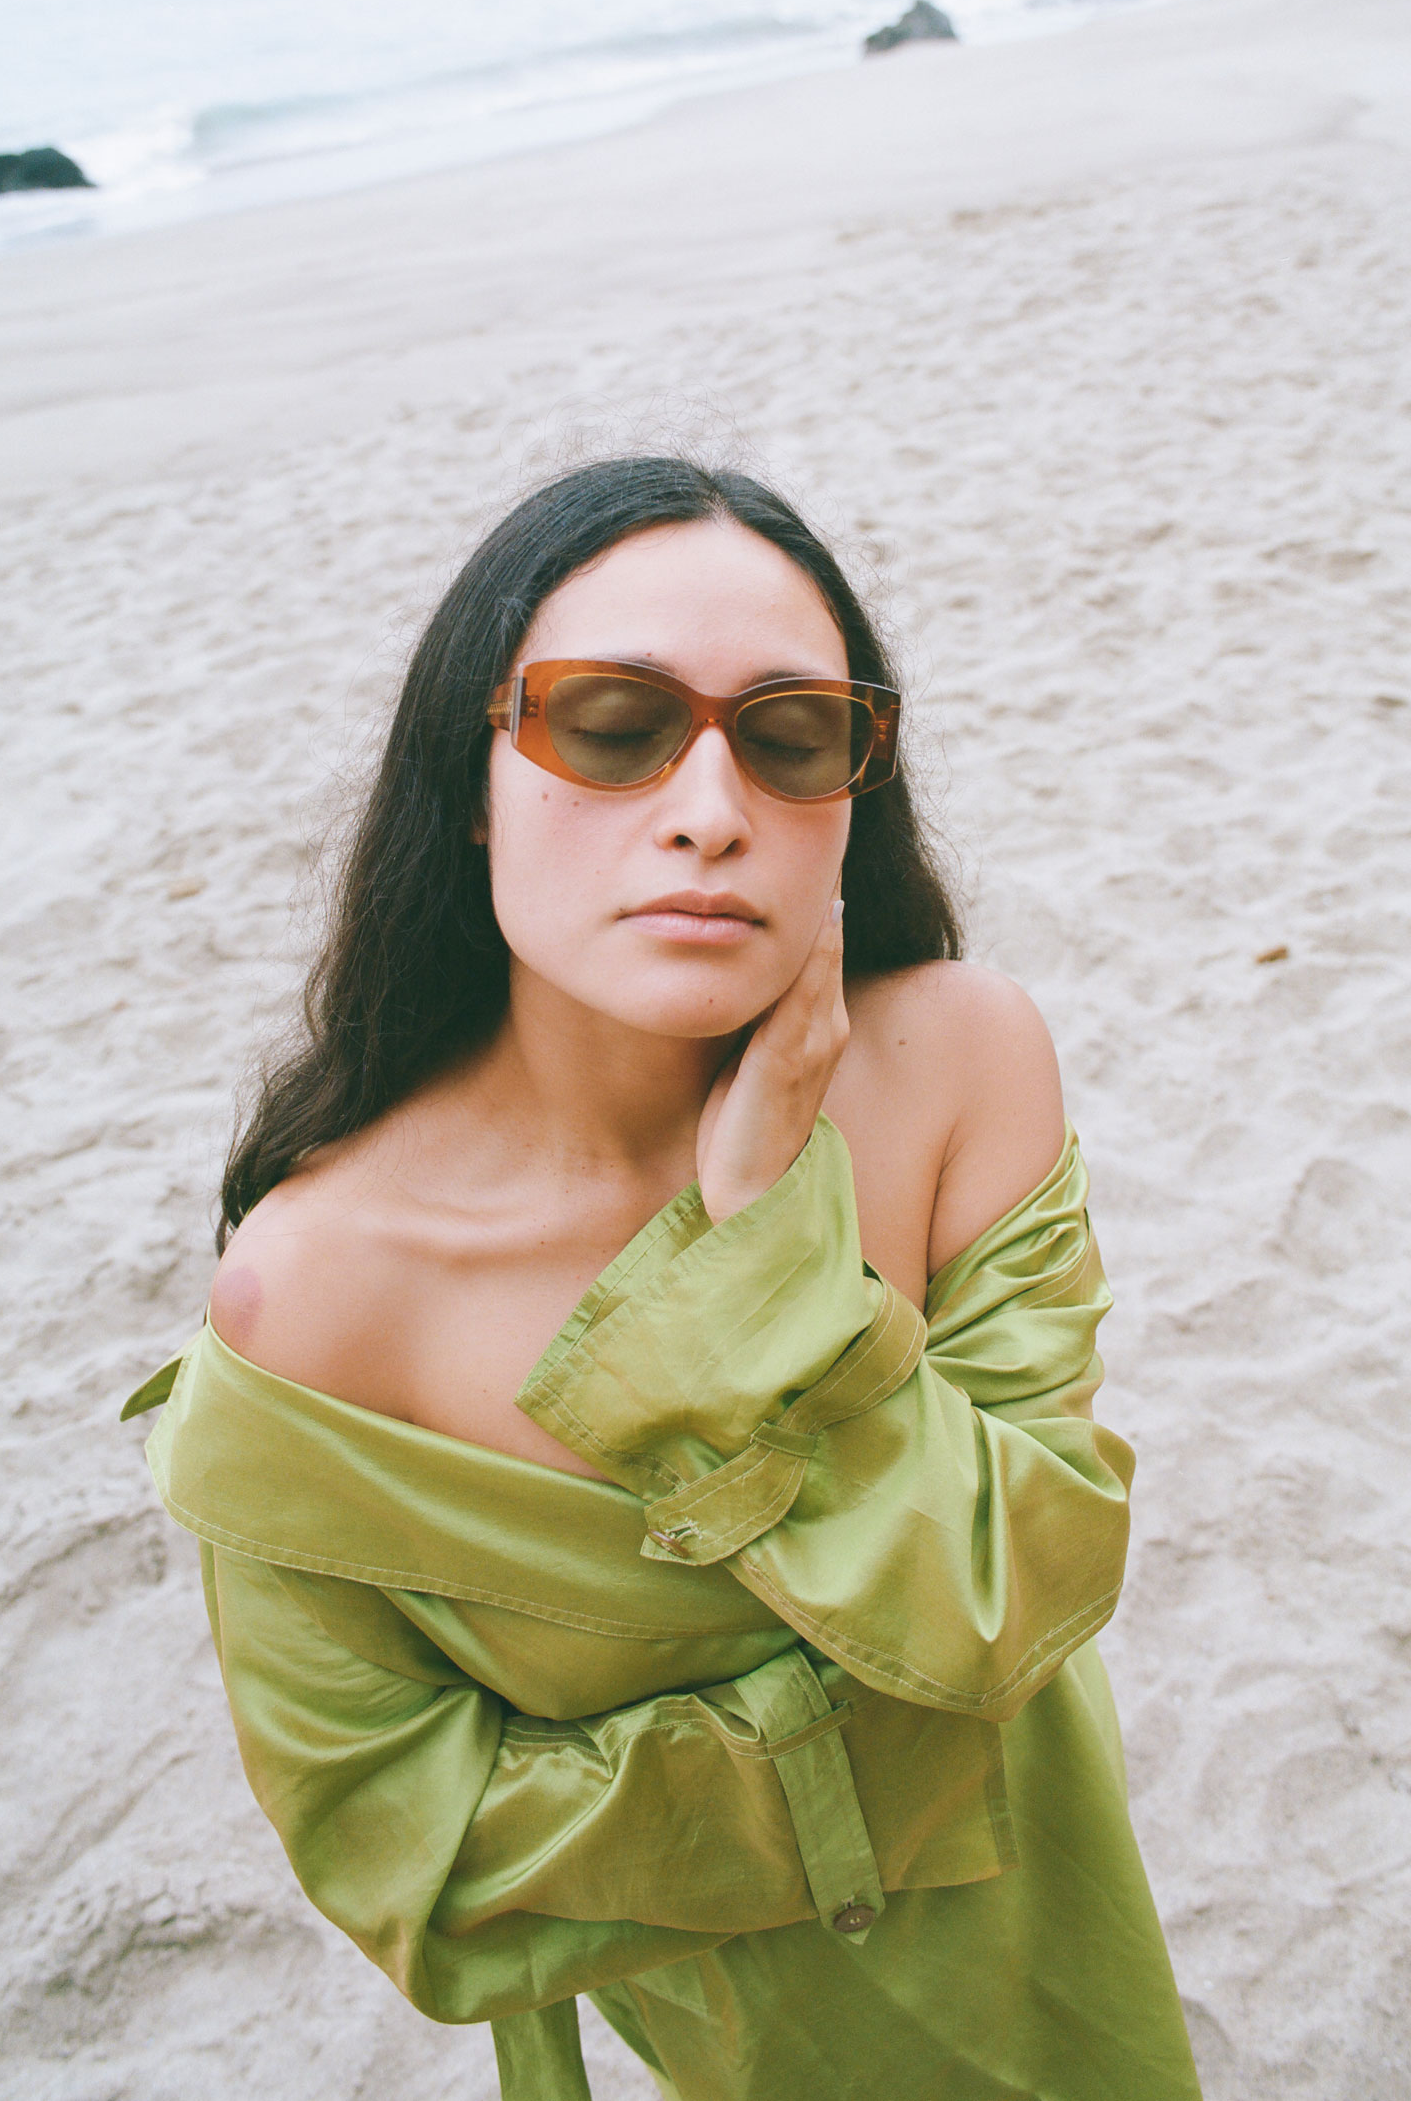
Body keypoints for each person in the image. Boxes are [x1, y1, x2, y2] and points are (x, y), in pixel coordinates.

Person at [124, 456, 1200, 2101]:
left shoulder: (959, 1062)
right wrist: (885, 1771)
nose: (710, 810)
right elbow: (427, 1877)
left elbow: (1023, 1595)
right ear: (470, 779)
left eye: (792, 736)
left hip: (1073, 1968)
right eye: (613, 725)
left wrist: (770, 1241)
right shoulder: (320, 1298)